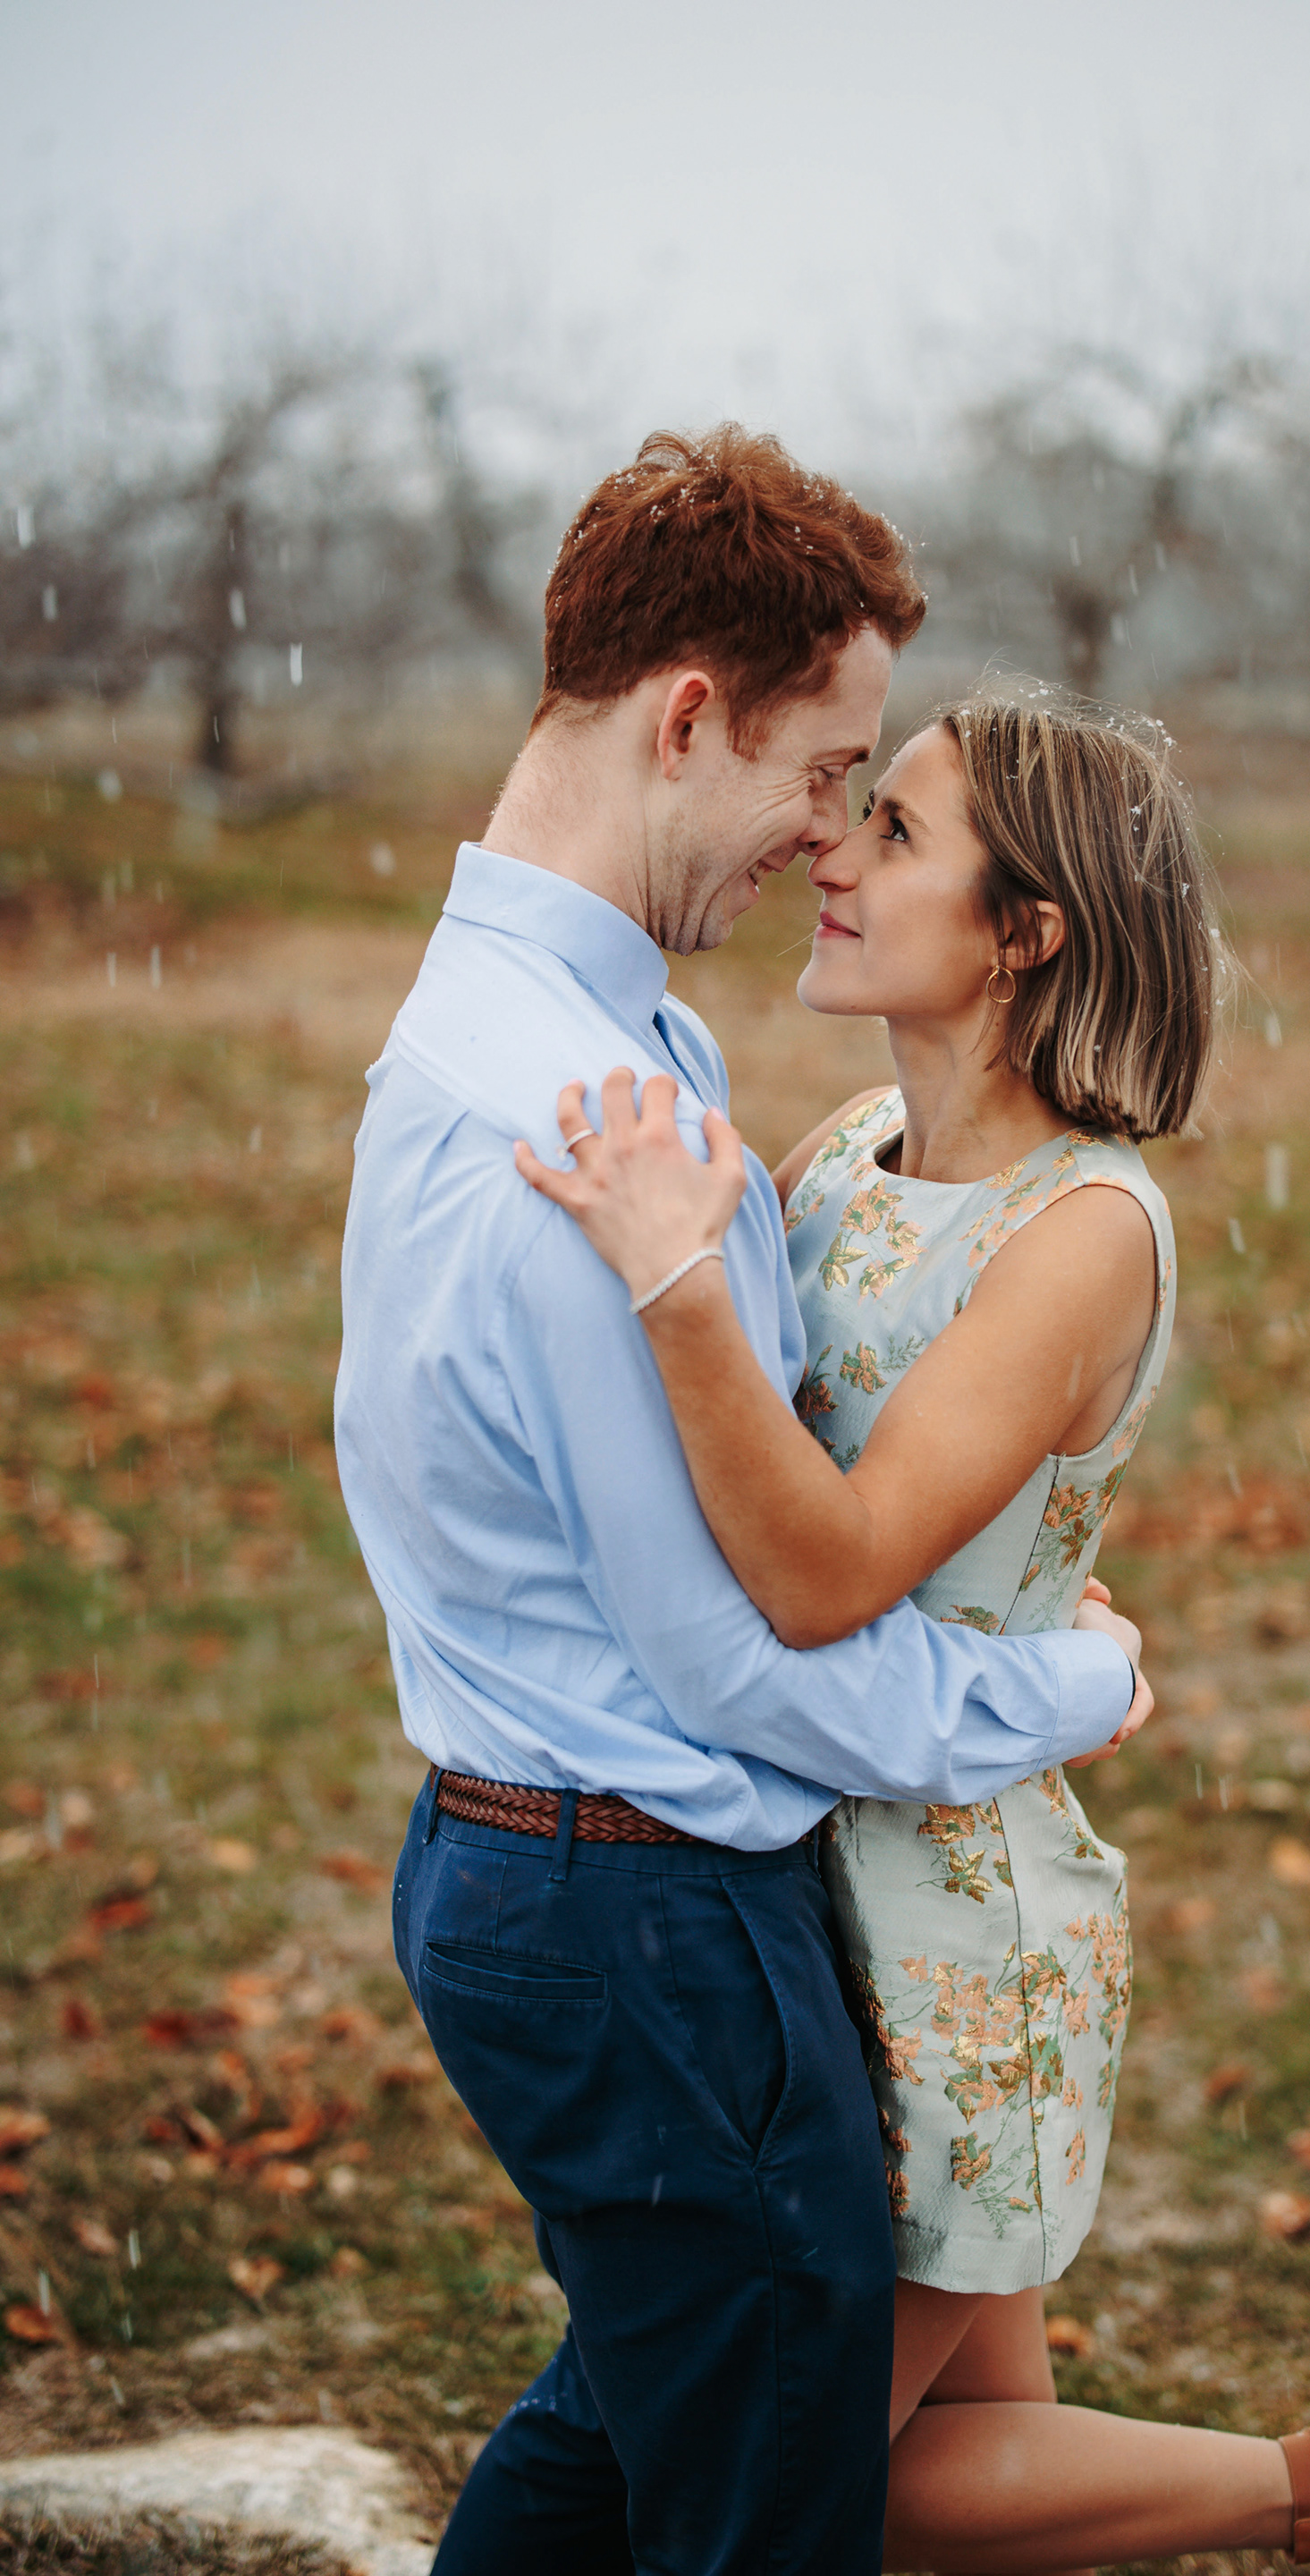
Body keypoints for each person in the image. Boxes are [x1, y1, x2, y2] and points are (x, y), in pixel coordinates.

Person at [516, 693, 1310, 2576]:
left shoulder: (1083, 1234)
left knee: (790, 2466)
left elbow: (827, 1570)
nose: (832, 848)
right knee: (960, 2462)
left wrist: (675, 1295)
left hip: (945, 1932)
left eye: (894, 831)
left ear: (1027, 928)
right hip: (813, 1881)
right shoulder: (846, 1147)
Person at [334, 425, 1153, 2576]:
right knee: (756, 2510)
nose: (825, 843)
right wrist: (1052, 1698)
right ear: (688, 715)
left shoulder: (555, 1035)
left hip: (583, 1874)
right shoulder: (576, 1123)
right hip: (644, 1909)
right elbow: (728, 1637)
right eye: (827, 776)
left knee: (645, 2441)